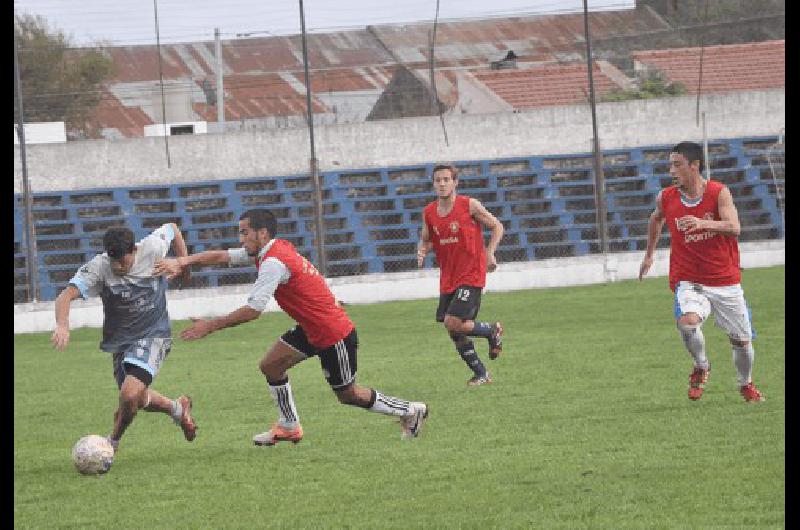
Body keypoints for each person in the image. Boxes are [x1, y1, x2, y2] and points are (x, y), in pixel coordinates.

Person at [153, 208, 428, 446]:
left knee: (349, 394)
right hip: (312, 328)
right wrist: (183, 260)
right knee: (271, 365)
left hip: (333, 333)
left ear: (262, 233)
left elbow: (253, 311)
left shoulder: (272, 262)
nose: (241, 239)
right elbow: (221, 256)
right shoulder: (272, 249)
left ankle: (410, 410)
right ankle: (288, 426)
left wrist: (210, 326)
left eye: (244, 232)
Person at [51, 223, 198, 459]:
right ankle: (178, 409)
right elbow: (65, 295)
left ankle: (112, 442)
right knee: (135, 400)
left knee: (128, 396)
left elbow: (173, 228)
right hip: (121, 342)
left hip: (154, 334)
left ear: (134, 251)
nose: (119, 266)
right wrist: (62, 324)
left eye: (124, 261)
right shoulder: (99, 267)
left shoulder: (151, 248)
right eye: (114, 261)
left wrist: (184, 263)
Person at [639, 141, 764, 402]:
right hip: (690, 279)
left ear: (694, 166)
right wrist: (649, 254)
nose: (672, 170)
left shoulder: (719, 192)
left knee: (741, 342)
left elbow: (734, 227)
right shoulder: (666, 197)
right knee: (687, 323)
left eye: (677, 164)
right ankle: (702, 365)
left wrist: (702, 223)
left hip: (725, 279)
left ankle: (746, 384)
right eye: (670, 165)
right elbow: (656, 218)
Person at [417, 164, 505, 386]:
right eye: (438, 180)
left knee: (452, 321)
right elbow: (427, 238)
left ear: (455, 182)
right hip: (448, 276)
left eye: (447, 179)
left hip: (471, 273)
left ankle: (491, 331)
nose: (442, 183)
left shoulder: (469, 205)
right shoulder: (429, 212)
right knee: (453, 329)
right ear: (433, 183)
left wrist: (490, 253)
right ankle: (481, 374)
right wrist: (423, 250)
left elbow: (497, 227)